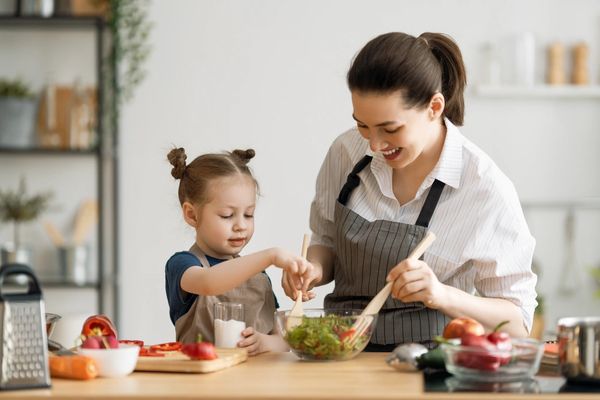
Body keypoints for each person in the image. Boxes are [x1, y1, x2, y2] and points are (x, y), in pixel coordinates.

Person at [283, 32, 537, 351]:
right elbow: (327, 240)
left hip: (429, 365)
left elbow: (517, 323)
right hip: (341, 354)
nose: (374, 144)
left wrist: (440, 294)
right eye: (363, 125)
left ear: (434, 106)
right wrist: (313, 269)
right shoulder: (346, 152)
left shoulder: (484, 188)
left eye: (390, 129)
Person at [165, 147, 312, 356]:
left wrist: (266, 342)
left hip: (254, 385)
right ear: (192, 215)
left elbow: (283, 340)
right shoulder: (184, 264)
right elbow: (209, 283)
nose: (241, 225)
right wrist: (271, 255)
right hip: (201, 384)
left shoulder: (258, 275)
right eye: (227, 215)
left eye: (249, 214)